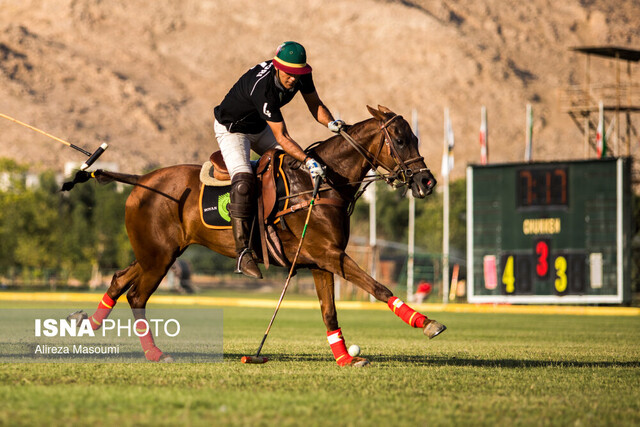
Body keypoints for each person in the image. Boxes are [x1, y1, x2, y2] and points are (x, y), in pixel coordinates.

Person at [213, 41, 345, 279]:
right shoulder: (263, 89)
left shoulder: (301, 75)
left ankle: (285, 238)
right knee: (243, 181)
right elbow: (282, 137)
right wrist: (308, 160)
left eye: (298, 74)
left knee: (293, 170)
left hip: (258, 126)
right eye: (289, 74)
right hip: (233, 130)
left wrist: (332, 123)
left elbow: (315, 105)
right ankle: (243, 252)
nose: (293, 79)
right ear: (277, 67)